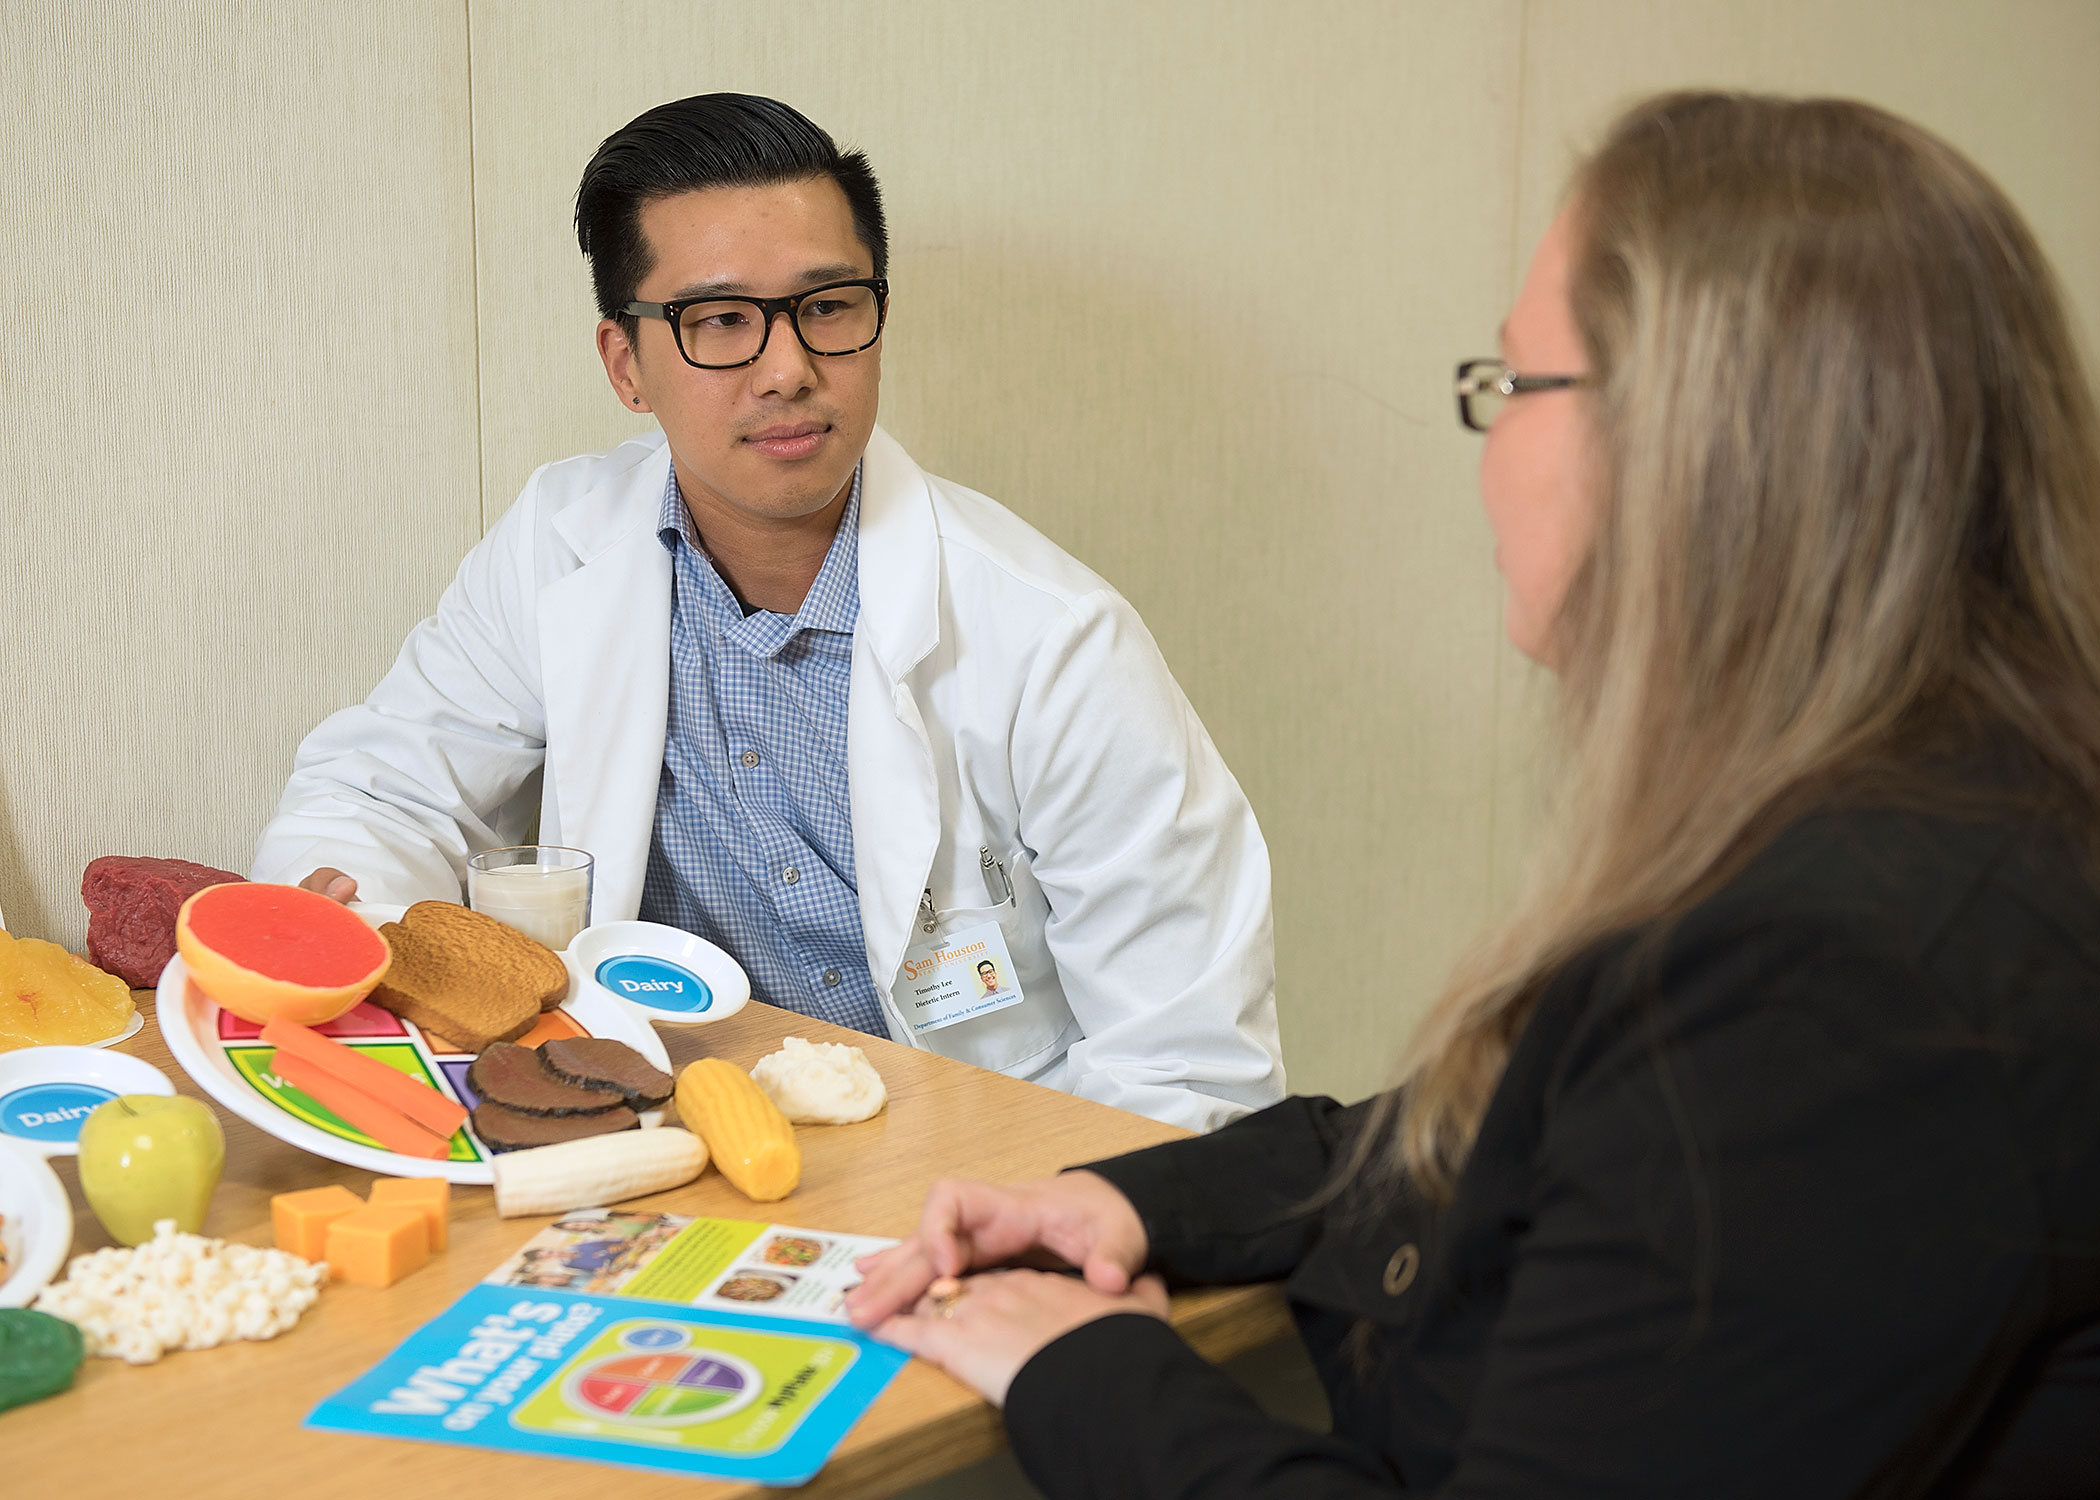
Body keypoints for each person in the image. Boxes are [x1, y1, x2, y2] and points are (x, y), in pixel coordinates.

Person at [846, 91, 2100, 1497]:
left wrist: (1076, 1367)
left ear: (1696, 447)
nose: (1489, 450)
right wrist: (1109, 1199)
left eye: (1509, 389)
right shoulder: (1924, 827)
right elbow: (1462, 1141)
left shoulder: (1842, 984)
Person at [249, 94, 1283, 1131]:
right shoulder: (558, 544)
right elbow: (385, 797)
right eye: (721, 322)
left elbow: (1189, 1075)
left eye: (828, 305)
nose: (788, 369)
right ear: (626, 365)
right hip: (661, 1136)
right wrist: (338, 923)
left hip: (977, 1170)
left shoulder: (1053, 638)